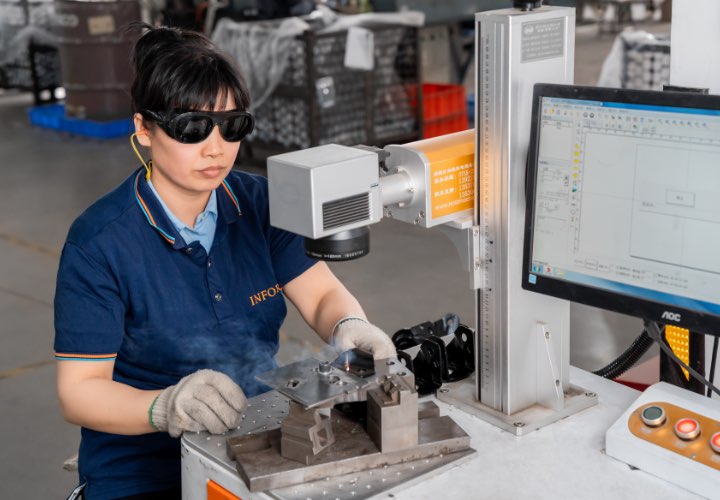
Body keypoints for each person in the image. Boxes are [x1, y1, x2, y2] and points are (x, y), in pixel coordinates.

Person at [54, 24, 396, 500]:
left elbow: (319, 293)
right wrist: (164, 407)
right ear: (143, 129)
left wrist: (350, 324)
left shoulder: (262, 203)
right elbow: (80, 390)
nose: (216, 148)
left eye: (232, 126)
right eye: (192, 128)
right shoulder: (99, 244)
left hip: (256, 440)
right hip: (142, 469)